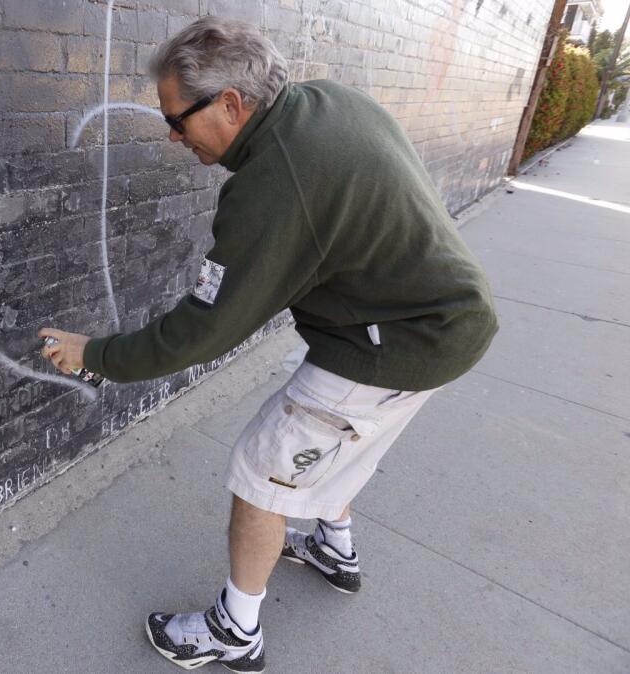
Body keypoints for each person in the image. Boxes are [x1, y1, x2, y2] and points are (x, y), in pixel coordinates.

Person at [39, 16, 498, 673]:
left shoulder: (273, 185)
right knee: (335, 440)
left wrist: (96, 355)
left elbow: (205, 329)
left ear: (230, 104)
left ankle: (236, 630)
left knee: (263, 474)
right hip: (436, 320)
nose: (172, 136)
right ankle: (334, 546)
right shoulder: (327, 103)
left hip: (396, 343)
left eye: (178, 118)